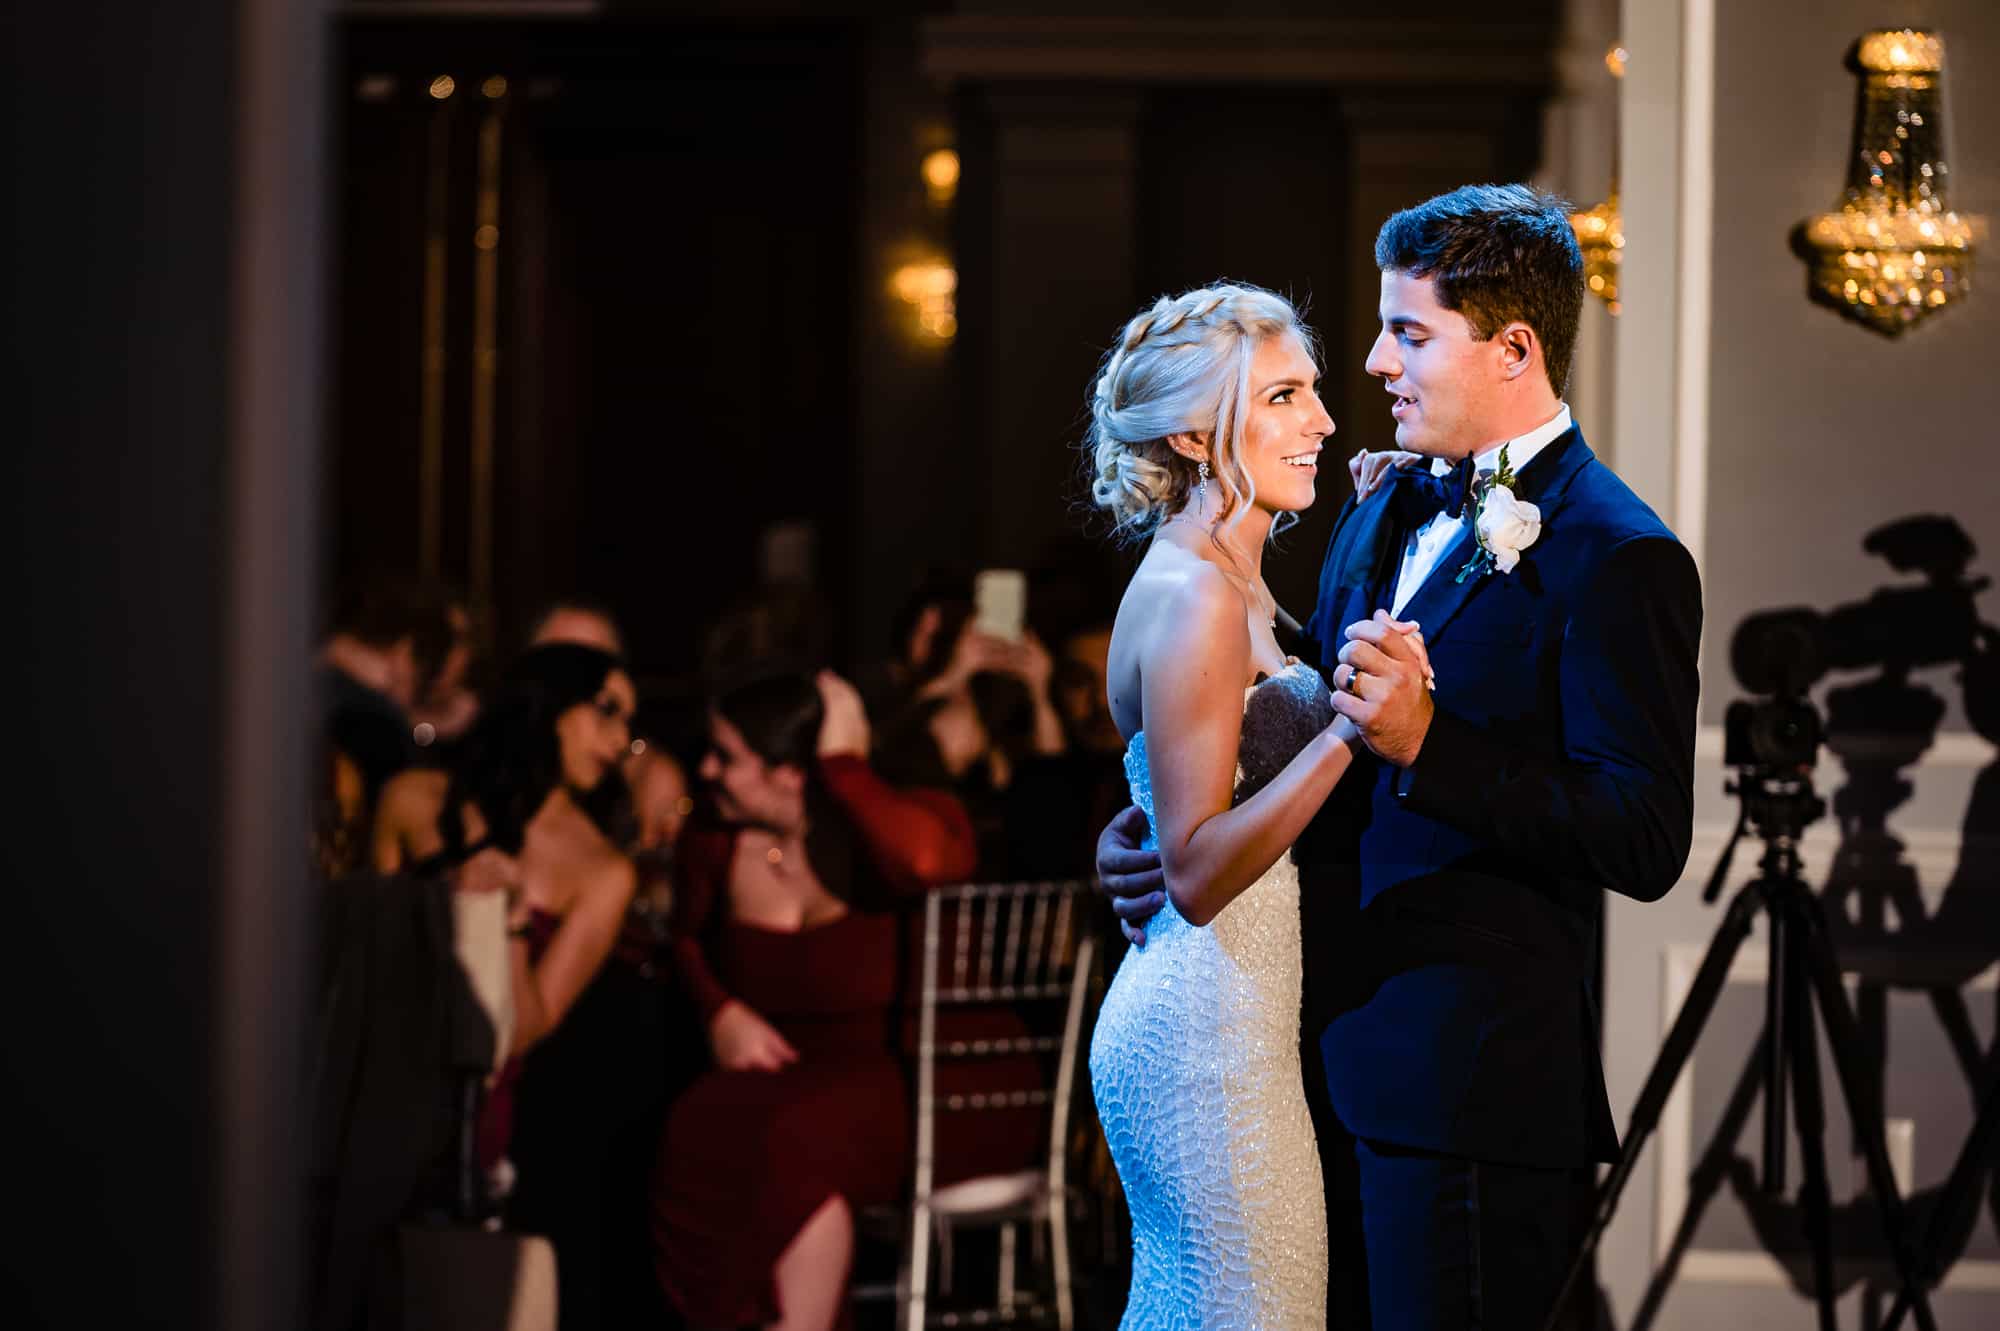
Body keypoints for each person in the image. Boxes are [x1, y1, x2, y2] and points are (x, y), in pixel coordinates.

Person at [1095, 185, 1703, 1329]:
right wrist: (1147, 818)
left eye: (1408, 332)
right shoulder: (1380, 506)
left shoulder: (1617, 556)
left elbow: (1642, 833)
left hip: (1464, 1094)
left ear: (1512, 346)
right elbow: (1278, 712)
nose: (1373, 361)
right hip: (1298, 1054)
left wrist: (1433, 745)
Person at [1080, 282, 1435, 1329]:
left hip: (1235, 1010)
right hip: (1203, 1026)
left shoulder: (1238, 581)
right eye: (1282, 396)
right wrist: (1345, 730)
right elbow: (1189, 870)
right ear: (1196, 432)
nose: (1321, 421)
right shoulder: (1191, 592)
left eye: (1312, 392)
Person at [651, 670, 977, 1331]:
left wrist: (843, 763)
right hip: (796, 1071)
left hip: (925, 1076)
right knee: (696, 1121)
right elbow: (683, 937)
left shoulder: (890, 817)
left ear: (790, 770)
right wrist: (718, 1007)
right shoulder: (715, 837)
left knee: (795, 1142)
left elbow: (923, 864)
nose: (706, 770)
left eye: (728, 756)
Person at [372, 643, 640, 1170]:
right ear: (549, 698)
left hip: (470, 1113)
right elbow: (364, 953)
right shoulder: (412, 798)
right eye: (607, 710)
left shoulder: (605, 871)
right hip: (375, 1076)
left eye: (629, 722)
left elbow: (524, 1029)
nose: (621, 740)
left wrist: (511, 925)